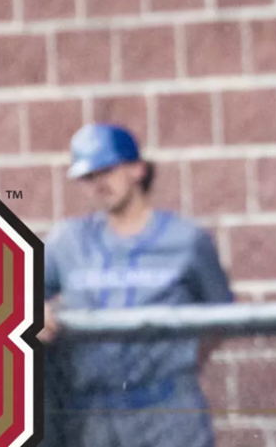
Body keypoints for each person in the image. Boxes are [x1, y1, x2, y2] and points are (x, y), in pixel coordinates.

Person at [40, 123, 234, 447]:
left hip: (166, 406)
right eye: (89, 176)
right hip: (93, 411)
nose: (99, 183)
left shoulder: (186, 239)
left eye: (108, 170)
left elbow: (221, 319)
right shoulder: (68, 241)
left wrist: (181, 359)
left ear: (137, 168)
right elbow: (10, 293)